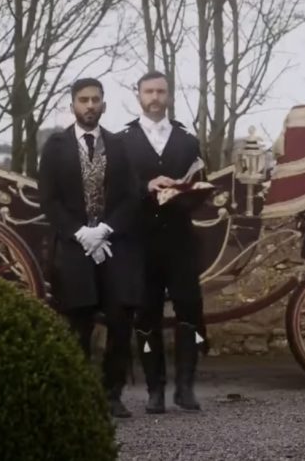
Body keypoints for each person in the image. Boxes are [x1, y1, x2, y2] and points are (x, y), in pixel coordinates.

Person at [38, 77, 142, 418]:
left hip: (115, 246)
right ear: (73, 105)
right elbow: (49, 199)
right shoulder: (55, 147)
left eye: (95, 99)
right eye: (83, 100)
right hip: (74, 246)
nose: (90, 105)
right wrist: (80, 232)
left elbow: (132, 196)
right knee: (77, 323)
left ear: (104, 105)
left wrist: (106, 229)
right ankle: (80, 396)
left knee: (120, 320)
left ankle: (112, 394)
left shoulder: (120, 145)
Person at [115, 70, 206, 414]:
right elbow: (115, 190)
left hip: (180, 240)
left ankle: (186, 387)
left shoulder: (188, 141)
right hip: (140, 242)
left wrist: (183, 192)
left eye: (161, 92)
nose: (155, 98)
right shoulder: (121, 141)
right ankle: (155, 389)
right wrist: (146, 187)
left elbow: (201, 186)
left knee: (190, 313)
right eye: (149, 92)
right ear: (138, 95)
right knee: (145, 317)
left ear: (169, 95)